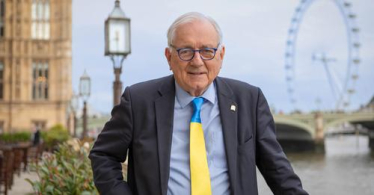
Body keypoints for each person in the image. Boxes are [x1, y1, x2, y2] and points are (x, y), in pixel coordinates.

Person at [89, 12, 308, 195]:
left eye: (206, 51)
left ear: (220, 56)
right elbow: (103, 155)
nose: (197, 61)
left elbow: (279, 172)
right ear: (169, 57)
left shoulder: (249, 100)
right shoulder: (139, 101)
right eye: (185, 51)